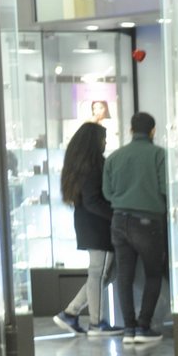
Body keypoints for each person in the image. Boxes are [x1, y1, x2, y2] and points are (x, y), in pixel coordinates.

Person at [101, 111, 168, 345]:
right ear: (153, 131)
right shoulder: (159, 155)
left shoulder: (115, 157)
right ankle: (143, 326)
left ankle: (128, 328)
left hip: (119, 221)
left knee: (124, 276)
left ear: (130, 130)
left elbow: (107, 193)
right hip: (148, 222)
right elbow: (165, 188)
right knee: (153, 274)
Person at [52, 122, 123, 337]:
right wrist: (116, 215)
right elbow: (93, 201)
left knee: (102, 275)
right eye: (103, 139)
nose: (105, 143)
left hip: (89, 225)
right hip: (97, 227)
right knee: (99, 274)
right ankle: (96, 322)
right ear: (95, 142)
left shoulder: (80, 166)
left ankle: (71, 313)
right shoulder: (93, 167)